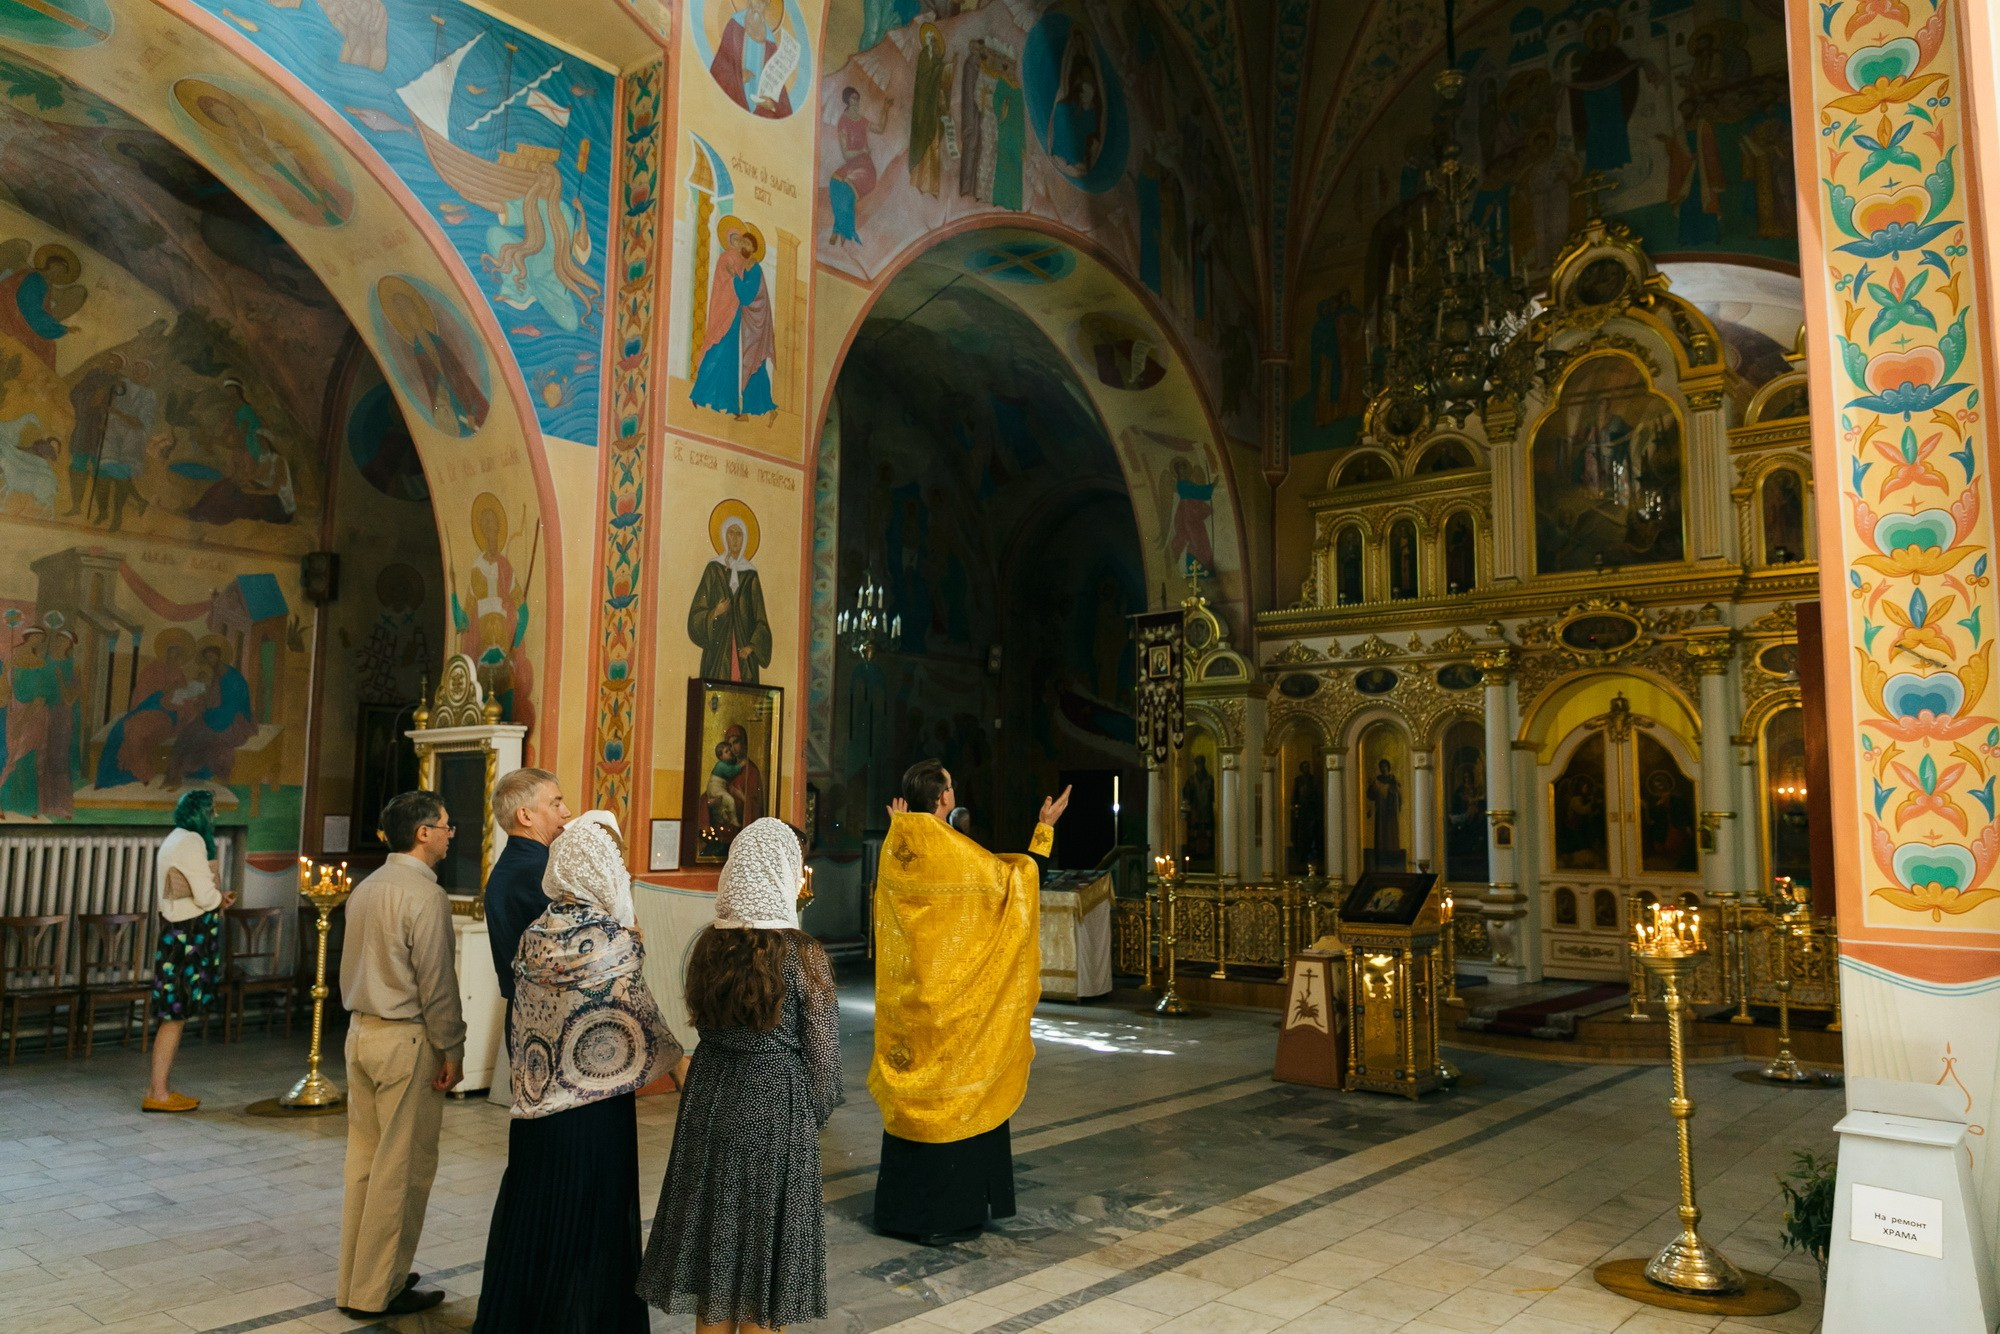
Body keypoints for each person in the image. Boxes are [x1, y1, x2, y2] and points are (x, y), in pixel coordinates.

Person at [472, 816, 686, 1334]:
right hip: (595, 1114)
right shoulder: (612, 940)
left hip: (537, 1110)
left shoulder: (535, 935)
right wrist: (685, 1070)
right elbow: (642, 1024)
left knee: (534, 1215)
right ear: (601, 871)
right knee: (592, 1223)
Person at [638, 817, 841, 1332]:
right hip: (775, 1108)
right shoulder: (803, 954)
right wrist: (809, 1114)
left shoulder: (708, 945)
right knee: (761, 1270)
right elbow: (824, 1060)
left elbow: (696, 1021)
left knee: (718, 1256)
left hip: (710, 1101)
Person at [871, 760, 1068, 1245]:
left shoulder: (898, 846)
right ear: (942, 799)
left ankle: (903, 1213)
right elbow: (1015, 885)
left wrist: (903, 822)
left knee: (917, 1108)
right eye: (951, 787)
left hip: (912, 1005)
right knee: (962, 1103)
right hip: (957, 1011)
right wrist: (1043, 830)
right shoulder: (953, 852)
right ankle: (950, 1215)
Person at [336, 791, 465, 1320]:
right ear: (423, 834)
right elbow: (437, 983)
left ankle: (356, 1282)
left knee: (364, 1166)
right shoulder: (424, 896)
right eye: (446, 825)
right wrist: (451, 1046)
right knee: (402, 1169)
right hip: (406, 1040)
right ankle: (378, 1292)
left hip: (360, 1033)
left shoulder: (367, 887)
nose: (451, 833)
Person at [142, 789, 234, 1112]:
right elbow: (205, 894)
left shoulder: (174, 837)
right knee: (174, 1015)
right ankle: (158, 1093)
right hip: (186, 937)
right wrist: (219, 899)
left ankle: (160, 1088)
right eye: (212, 811)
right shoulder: (192, 841)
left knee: (174, 1015)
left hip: (174, 933)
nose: (216, 817)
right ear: (200, 813)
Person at [483, 767, 571, 1039]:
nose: (566, 812)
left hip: (525, 1012)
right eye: (555, 803)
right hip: (550, 1017)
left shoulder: (513, 865)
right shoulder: (539, 872)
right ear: (525, 815)